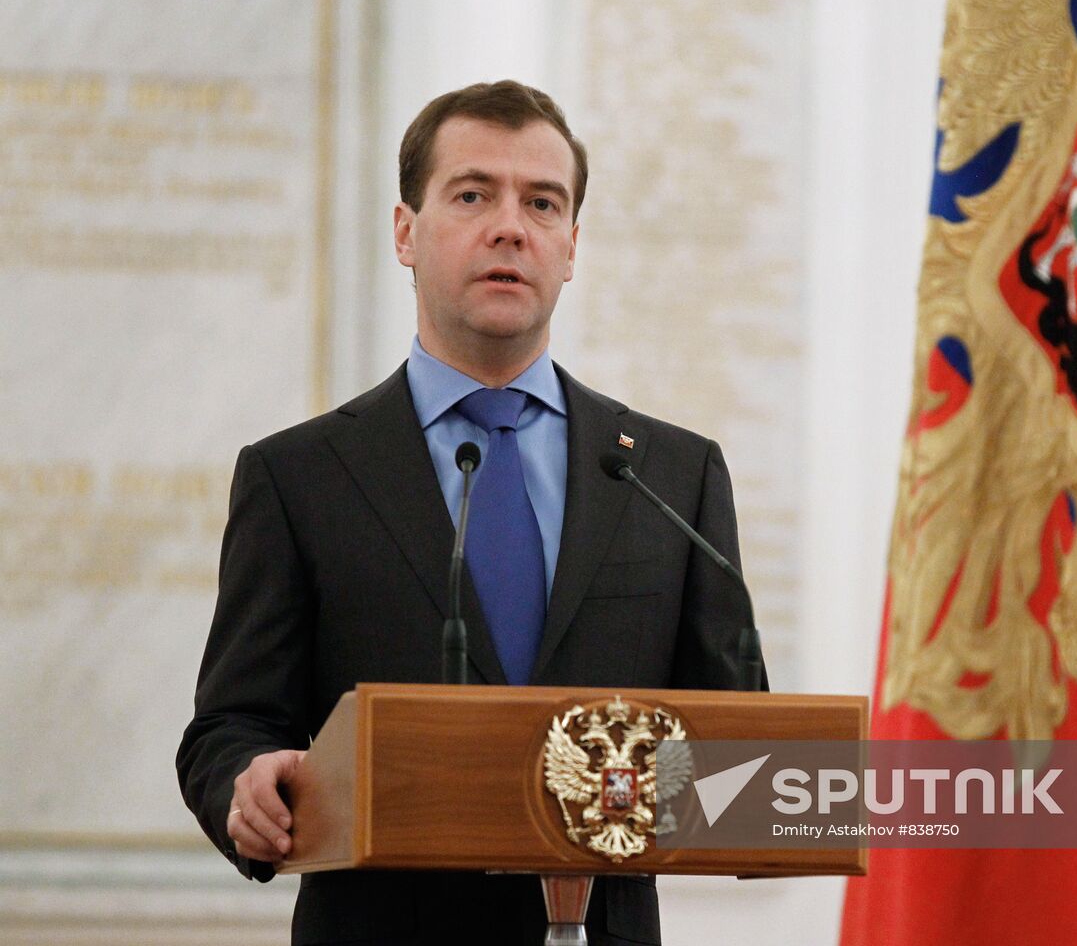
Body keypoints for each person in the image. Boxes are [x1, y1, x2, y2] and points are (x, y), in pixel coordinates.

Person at [177, 80, 763, 945]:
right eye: (472, 194)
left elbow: (736, 742)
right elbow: (230, 724)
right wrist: (249, 778)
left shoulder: (674, 476)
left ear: (570, 247)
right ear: (406, 233)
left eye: (542, 203)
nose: (509, 226)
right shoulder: (299, 476)